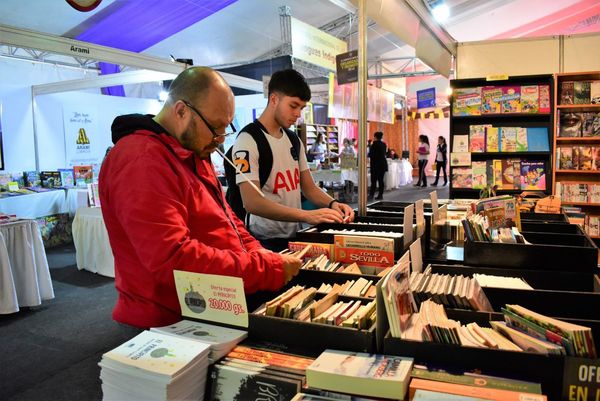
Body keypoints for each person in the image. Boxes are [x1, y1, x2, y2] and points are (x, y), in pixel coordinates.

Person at [99, 67, 302, 329]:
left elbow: (227, 219)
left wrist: (259, 253)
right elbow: (172, 259)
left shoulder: (192, 149)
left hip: (211, 305)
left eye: (225, 129)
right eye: (214, 128)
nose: (219, 140)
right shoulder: (142, 160)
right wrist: (262, 267)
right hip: (169, 321)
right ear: (181, 110)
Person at [232, 69, 354, 252]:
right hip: (263, 240)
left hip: (295, 235)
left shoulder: (293, 140)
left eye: (301, 108)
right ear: (274, 99)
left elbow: (309, 187)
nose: (298, 114)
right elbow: (252, 202)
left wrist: (333, 204)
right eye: (293, 105)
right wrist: (306, 215)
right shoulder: (247, 140)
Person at [368, 131, 388, 200]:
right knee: (381, 180)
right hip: (383, 164)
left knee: (373, 181)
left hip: (375, 165)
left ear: (375, 137)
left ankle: (371, 195)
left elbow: (371, 155)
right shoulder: (384, 144)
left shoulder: (374, 145)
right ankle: (380, 195)